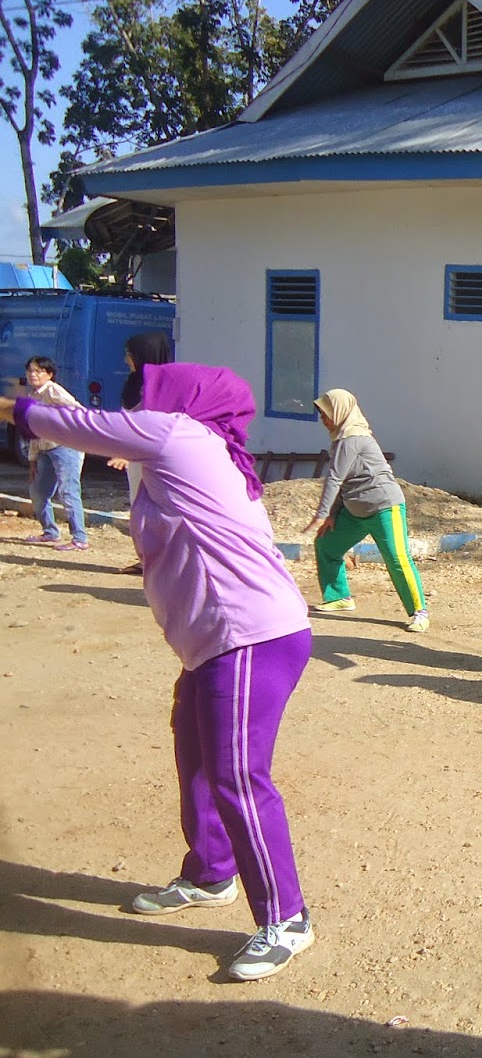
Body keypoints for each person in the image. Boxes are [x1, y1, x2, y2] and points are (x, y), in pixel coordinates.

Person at [0, 363, 317, 980]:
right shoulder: (192, 451)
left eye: (150, 392)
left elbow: (77, 424)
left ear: (182, 399)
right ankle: (211, 871)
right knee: (194, 748)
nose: (141, 401)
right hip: (215, 640)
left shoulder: (178, 436)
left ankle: (288, 917)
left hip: (250, 636)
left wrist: (16, 409)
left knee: (238, 774)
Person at [301, 389, 429, 634]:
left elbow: (335, 479)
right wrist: (332, 515)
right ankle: (340, 597)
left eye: (325, 413)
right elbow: (346, 481)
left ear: (340, 412)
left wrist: (321, 512)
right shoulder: (341, 440)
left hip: (383, 507)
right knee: (327, 544)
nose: (322, 419)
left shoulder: (353, 439)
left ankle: (419, 612)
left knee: (398, 559)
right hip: (355, 509)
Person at [109, 331, 176, 574]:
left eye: (131, 354)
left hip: (156, 457)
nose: (127, 359)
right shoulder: (135, 381)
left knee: (161, 508)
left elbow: (154, 423)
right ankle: (146, 558)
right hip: (134, 455)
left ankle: (165, 560)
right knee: (139, 507)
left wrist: (129, 453)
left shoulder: (163, 383)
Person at [20, 357, 88, 551]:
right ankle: (50, 531)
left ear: (49, 374)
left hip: (64, 447)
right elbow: (32, 429)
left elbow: (78, 410)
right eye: (30, 371)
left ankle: (79, 538)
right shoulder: (32, 395)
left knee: (68, 491)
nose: (33, 374)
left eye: (38, 371)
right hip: (44, 449)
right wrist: (32, 460)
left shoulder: (53, 391)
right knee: (38, 491)